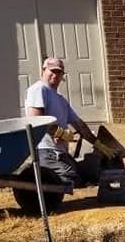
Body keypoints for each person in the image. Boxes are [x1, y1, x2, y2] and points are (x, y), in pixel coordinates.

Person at [25, 57, 98, 186]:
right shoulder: (39, 89)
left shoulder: (60, 99)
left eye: (59, 72)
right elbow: (37, 120)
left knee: (84, 175)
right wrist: (60, 133)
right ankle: (36, 176)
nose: (55, 75)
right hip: (45, 150)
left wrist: (98, 144)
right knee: (70, 178)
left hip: (59, 151)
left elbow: (79, 124)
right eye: (52, 71)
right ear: (43, 71)